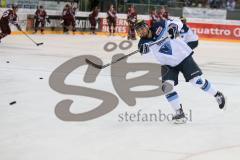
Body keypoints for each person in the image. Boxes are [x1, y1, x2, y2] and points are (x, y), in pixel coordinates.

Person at [135, 19, 226, 124]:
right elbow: (151, 59)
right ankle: (179, 112)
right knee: (166, 87)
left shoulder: (160, 25)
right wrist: (145, 51)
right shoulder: (142, 44)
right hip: (168, 65)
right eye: (138, 31)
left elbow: (178, 22)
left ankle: (217, 95)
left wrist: (173, 27)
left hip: (183, 57)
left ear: (147, 26)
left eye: (141, 28)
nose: (140, 32)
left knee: (197, 81)